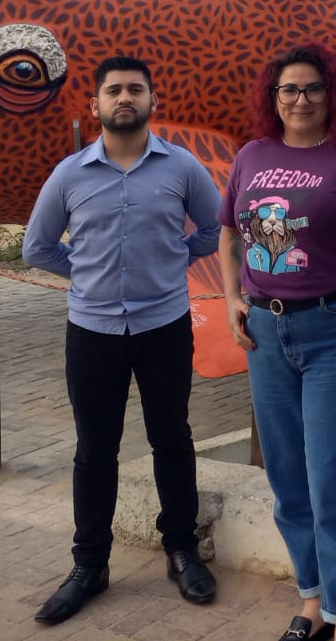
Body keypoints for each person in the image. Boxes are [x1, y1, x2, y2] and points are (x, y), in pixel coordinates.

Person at [24, 56, 221, 626]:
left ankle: (181, 550)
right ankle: (89, 565)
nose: (124, 97)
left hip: (164, 327)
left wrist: (173, 258)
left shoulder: (182, 169)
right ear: (96, 106)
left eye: (135, 89)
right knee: (94, 449)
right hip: (93, 333)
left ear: (152, 100)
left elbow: (212, 230)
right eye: (114, 90)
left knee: (172, 439)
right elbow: (36, 248)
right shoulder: (69, 174)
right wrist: (85, 274)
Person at [218, 43, 336, 641]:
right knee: (288, 478)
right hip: (266, 335)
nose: (299, 99)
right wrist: (232, 295)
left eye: (312, 88)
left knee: (332, 480)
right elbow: (229, 232)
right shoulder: (251, 156)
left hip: (330, 331)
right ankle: (312, 600)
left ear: (332, 94)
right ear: (273, 97)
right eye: (288, 89)